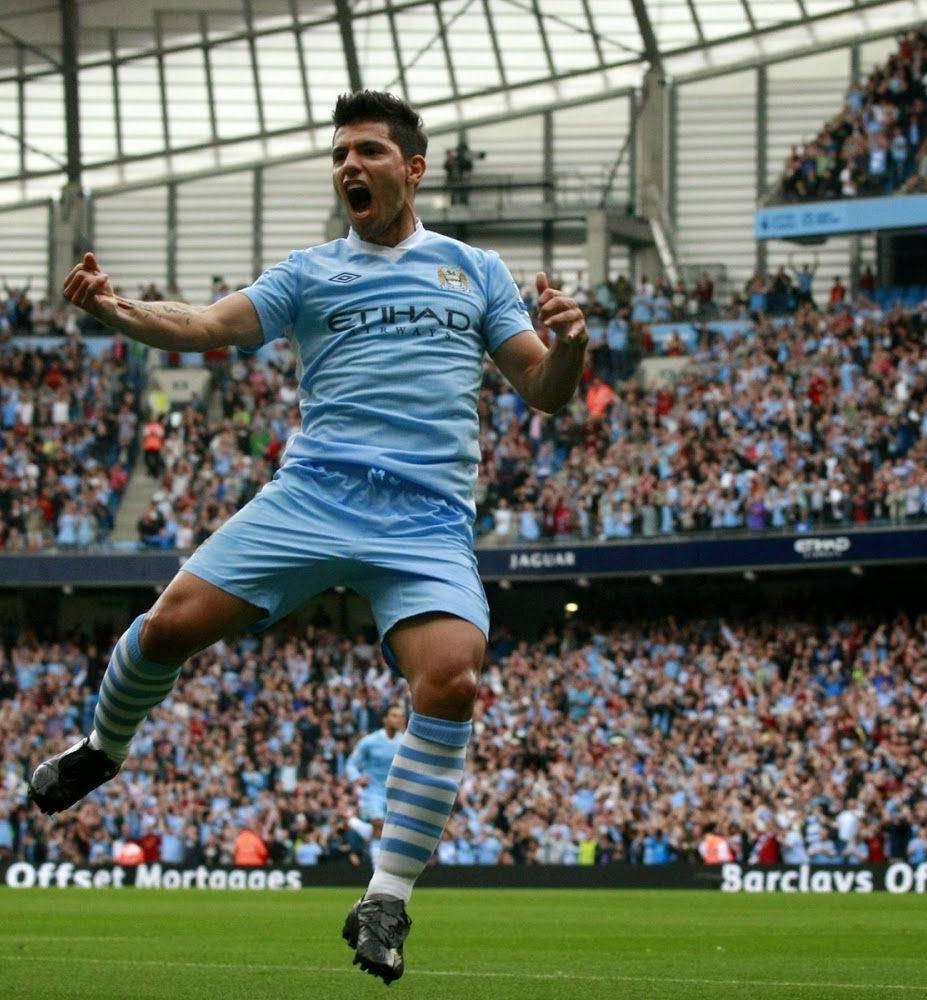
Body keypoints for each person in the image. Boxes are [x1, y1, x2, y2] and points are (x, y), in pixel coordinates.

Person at [33, 89, 588, 984]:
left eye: (368, 151)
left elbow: (546, 388)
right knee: (170, 625)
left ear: (412, 169)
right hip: (316, 495)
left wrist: (569, 344)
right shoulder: (310, 271)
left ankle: (387, 897)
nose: (349, 166)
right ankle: (102, 748)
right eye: (340, 155)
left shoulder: (474, 271)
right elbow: (208, 326)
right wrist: (116, 308)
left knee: (452, 679)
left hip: (427, 517)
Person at [345, 705, 406, 840]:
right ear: (385, 719)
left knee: (383, 833)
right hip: (373, 792)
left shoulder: (405, 742)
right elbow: (351, 764)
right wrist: (357, 778)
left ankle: (364, 831)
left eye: (401, 716)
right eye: (394, 716)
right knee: (379, 824)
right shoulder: (370, 741)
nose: (399, 719)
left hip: (396, 794)